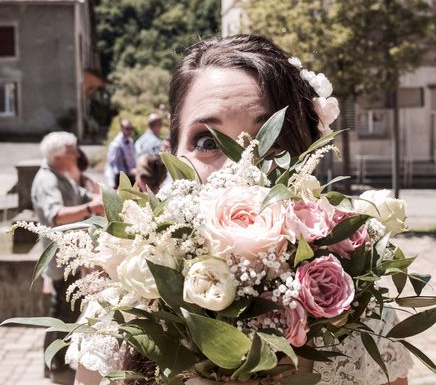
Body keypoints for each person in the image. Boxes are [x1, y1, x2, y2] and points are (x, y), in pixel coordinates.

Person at [74, 35, 411, 385]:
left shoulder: (361, 319)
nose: (240, 169)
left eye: (273, 144)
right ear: (172, 152)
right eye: (207, 142)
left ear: (309, 157)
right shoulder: (116, 316)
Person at [31, 132, 104, 384]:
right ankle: (56, 367)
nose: (77, 154)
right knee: (62, 313)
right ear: (59, 155)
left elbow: (83, 196)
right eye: (73, 150)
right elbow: (57, 215)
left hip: (69, 254)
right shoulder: (46, 180)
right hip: (60, 258)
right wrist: (90, 208)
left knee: (63, 311)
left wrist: (104, 198)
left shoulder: (61, 175)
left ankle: (51, 365)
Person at [105, 119, 137, 188]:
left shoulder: (130, 141)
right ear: (121, 129)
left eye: (131, 128)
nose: (129, 131)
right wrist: (111, 182)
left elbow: (132, 160)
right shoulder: (115, 145)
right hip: (119, 178)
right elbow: (110, 164)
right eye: (127, 129)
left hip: (131, 177)